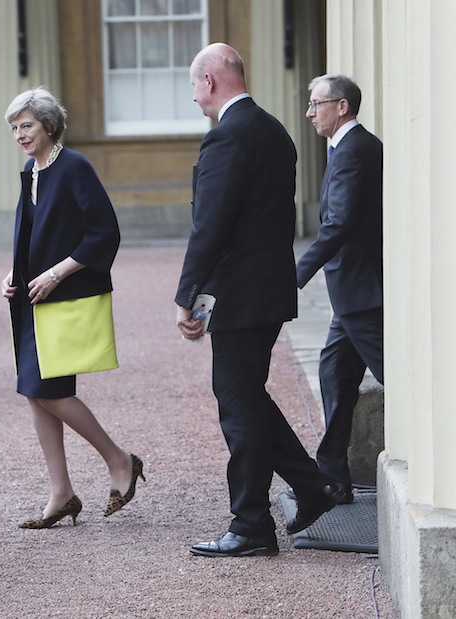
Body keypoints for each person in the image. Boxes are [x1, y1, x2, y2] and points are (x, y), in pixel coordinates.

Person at [174, 43, 345, 558]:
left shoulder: (227, 136)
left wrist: (187, 295)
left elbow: (212, 226)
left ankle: (251, 525)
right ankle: (312, 488)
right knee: (245, 396)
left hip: (241, 295)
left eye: (194, 89)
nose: (195, 100)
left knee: (238, 407)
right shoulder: (274, 129)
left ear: (209, 82)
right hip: (268, 290)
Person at [0, 87, 144, 528]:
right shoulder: (33, 169)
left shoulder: (74, 166)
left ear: (48, 124)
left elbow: (103, 233)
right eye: (14, 128)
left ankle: (119, 460)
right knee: (35, 393)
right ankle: (61, 491)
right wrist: (14, 275)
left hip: (61, 297)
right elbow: (32, 234)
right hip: (33, 298)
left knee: (49, 391)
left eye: (26, 125)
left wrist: (56, 273)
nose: (20, 135)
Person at [295, 74, 384, 503]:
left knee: (396, 379)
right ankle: (332, 478)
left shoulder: (354, 151)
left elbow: (340, 223)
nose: (311, 113)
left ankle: (430, 455)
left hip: (364, 291)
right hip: (354, 293)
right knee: (333, 369)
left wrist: (298, 272)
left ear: (342, 106)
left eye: (317, 104)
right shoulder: (347, 148)